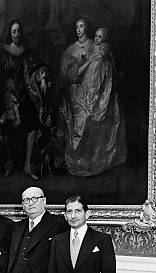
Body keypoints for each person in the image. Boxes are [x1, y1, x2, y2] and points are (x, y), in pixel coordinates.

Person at [59, 18, 126, 177]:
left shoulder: (96, 45)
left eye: (82, 27)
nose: (79, 30)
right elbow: (67, 73)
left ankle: (93, 159)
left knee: (98, 117)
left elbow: (109, 66)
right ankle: (79, 159)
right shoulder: (71, 49)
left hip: (98, 88)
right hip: (79, 91)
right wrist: (75, 72)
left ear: (87, 28)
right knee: (81, 118)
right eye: (77, 27)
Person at [0, 19, 50, 180]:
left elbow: (38, 66)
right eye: (14, 32)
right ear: (9, 34)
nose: (17, 34)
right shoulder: (4, 54)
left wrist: (42, 78)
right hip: (8, 97)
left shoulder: (26, 52)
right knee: (5, 132)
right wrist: (4, 86)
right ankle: (9, 163)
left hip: (25, 95)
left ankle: (28, 165)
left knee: (32, 127)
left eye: (18, 31)